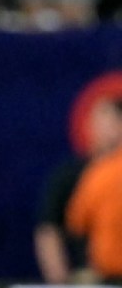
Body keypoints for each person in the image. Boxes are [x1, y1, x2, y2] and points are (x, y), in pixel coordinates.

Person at [66, 96, 122, 283]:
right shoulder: (98, 173)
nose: (95, 130)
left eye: (105, 122)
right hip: (109, 275)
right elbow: (78, 223)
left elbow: (77, 225)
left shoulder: (100, 173)